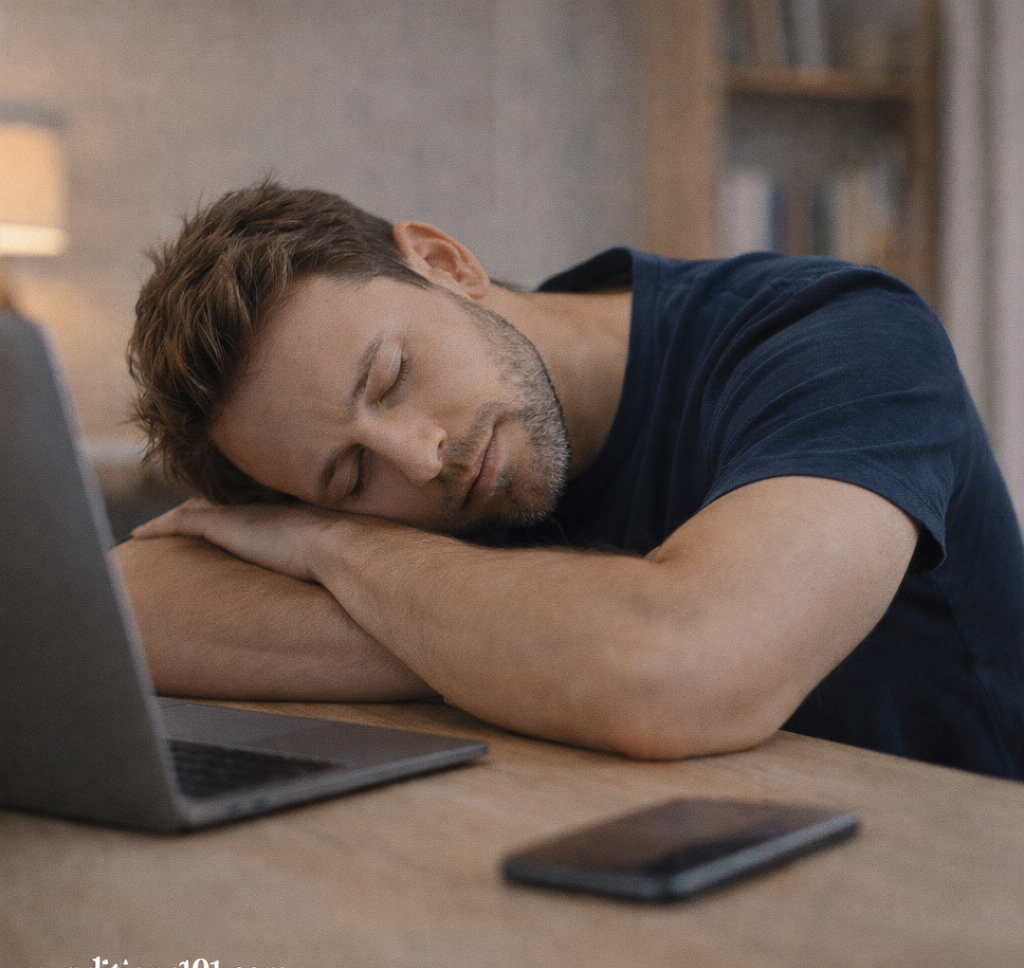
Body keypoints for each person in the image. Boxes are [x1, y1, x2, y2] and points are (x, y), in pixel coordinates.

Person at [118, 181, 1024, 779]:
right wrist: (547, 652)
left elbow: (680, 669)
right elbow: (131, 601)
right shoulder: (451, 473)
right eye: (350, 477)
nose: (422, 457)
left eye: (391, 377)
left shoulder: (838, 334)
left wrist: (331, 540)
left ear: (445, 264)